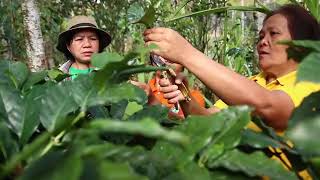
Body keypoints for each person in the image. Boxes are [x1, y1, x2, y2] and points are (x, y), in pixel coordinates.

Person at [143, 4, 320, 179]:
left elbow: (268, 107)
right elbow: (210, 121)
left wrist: (186, 54)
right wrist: (185, 97)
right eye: (261, 36)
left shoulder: (311, 83)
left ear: (300, 45)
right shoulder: (253, 83)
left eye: (273, 34)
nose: (262, 42)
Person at [131, 61, 205, 119]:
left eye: (172, 57)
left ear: (183, 64)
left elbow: (193, 126)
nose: (166, 61)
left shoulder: (194, 97)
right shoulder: (142, 91)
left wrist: (152, 100)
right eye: (160, 57)